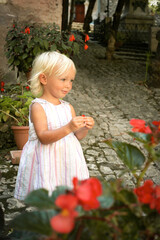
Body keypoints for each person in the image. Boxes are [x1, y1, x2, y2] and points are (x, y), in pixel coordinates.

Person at [14, 51, 94, 200]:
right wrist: (69, 127)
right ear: (44, 78)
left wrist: (84, 128)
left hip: (67, 160)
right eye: (63, 79)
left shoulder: (68, 107)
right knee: (48, 192)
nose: (68, 85)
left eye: (71, 80)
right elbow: (43, 137)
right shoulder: (38, 106)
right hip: (47, 160)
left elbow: (77, 136)